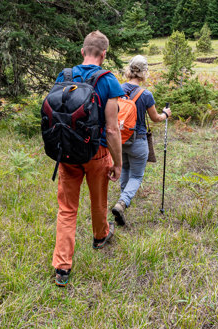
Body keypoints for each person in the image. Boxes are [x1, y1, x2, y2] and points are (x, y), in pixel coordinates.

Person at [52, 30, 124, 287]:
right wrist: (118, 162)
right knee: (98, 200)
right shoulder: (108, 80)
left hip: (68, 152)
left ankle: (62, 268)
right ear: (103, 55)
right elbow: (113, 128)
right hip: (96, 153)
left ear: (83, 51)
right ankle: (100, 237)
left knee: (67, 209)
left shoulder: (65, 76)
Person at [111, 55, 171, 226]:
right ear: (144, 73)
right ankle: (122, 203)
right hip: (138, 141)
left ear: (129, 70)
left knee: (124, 170)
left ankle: (122, 200)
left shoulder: (117, 88)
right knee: (136, 176)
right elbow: (155, 118)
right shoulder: (146, 95)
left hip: (120, 139)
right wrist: (166, 114)